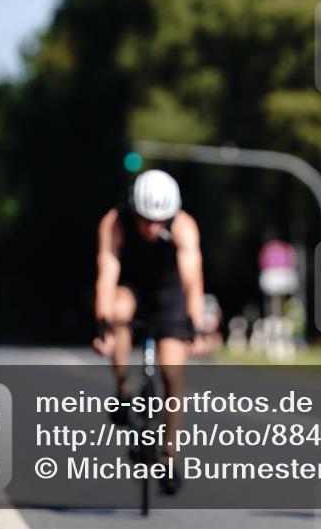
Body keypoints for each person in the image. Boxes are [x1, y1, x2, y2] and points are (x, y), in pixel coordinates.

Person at [91, 169, 206, 496]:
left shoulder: (184, 226)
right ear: (133, 210)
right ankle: (123, 389)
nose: (153, 228)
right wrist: (103, 325)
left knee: (172, 373)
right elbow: (107, 271)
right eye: (145, 220)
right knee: (118, 313)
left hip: (169, 295)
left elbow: (192, 280)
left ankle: (169, 457)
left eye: (161, 221)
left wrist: (193, 326)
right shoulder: (114, 222)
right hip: (133, 288)